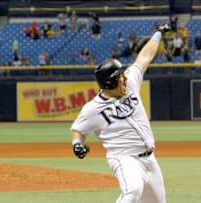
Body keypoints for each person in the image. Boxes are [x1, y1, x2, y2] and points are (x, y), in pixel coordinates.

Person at [70, 22, 171, 203]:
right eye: (119, 78)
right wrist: (77, 143)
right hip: (124, 158)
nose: (125, 79)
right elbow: (79, 130)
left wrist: (157, 34)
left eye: (123, 75)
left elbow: (145, 56)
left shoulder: (130, 82)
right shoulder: (92, 109)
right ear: (108, 84)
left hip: (150, 159)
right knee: (132, 191)